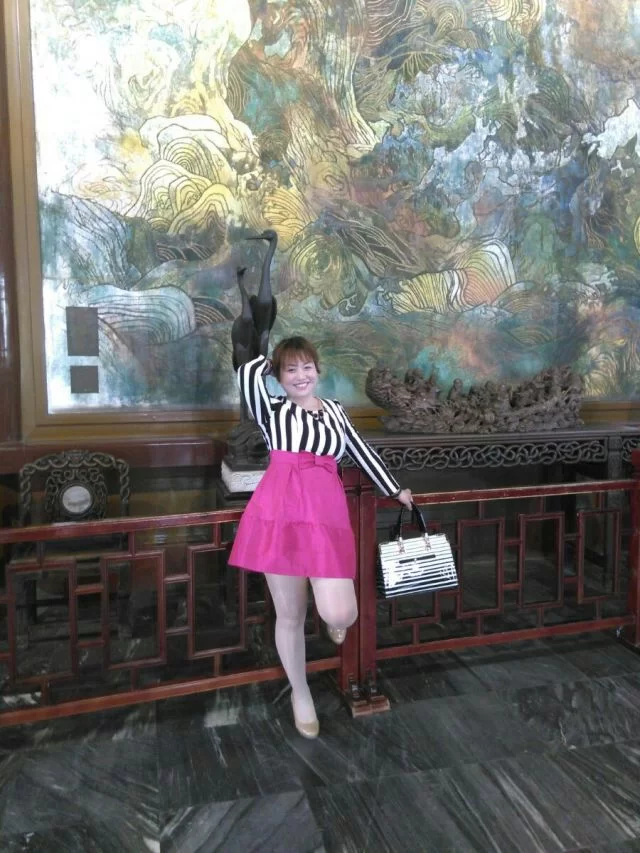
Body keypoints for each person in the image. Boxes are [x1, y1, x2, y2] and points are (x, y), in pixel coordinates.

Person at [229, 336, 412, 738]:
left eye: (307, 367)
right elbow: (245, 375)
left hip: (325, 514)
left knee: (341, 613)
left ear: (318, 370)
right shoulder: (271, 409)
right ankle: (301, 693)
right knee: (290, 614)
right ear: (279, 377)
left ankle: (332, 619)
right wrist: (270, 361)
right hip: (279, 513)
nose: (300, 376)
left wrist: (394, 488)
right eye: (290, 369)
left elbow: (360, 450)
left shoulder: (335, 411)